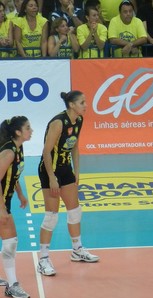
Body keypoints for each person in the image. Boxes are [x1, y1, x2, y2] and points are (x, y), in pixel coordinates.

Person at [36, 91, 99, 278]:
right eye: (82, 102)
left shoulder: (78, 121)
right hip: (49, 171)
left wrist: (77, 172)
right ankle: (43, 258)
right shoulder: (58, 123)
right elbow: (46, 152)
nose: (85, 105)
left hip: (65, 169)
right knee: (51, 216)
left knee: (75, 211)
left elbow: (75, 147)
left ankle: (77, 249)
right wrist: (52, 178)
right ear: (71, 104)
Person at [0, 117, 32, 298]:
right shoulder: (9, 152)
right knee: (10, 241)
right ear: (18, 132)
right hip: (1, 201)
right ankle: (12, 285)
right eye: (28, 128)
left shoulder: (18, 148)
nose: (31, 130)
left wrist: (20, 193)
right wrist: (2, 209)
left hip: (7, 199)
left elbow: (13, 174)